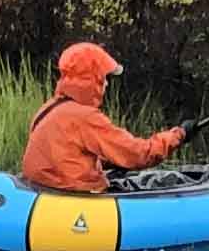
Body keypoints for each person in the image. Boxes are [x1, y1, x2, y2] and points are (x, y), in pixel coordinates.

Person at [15, 42, 184, 194]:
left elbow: (68, 156)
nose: (107, 83)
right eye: (103, 77)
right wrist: (177, 136)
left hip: (46, 192)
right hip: (74, 197)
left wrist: (111, 160)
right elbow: (138, 154)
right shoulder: (84, 117)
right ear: (92, 79)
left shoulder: (50, 108)